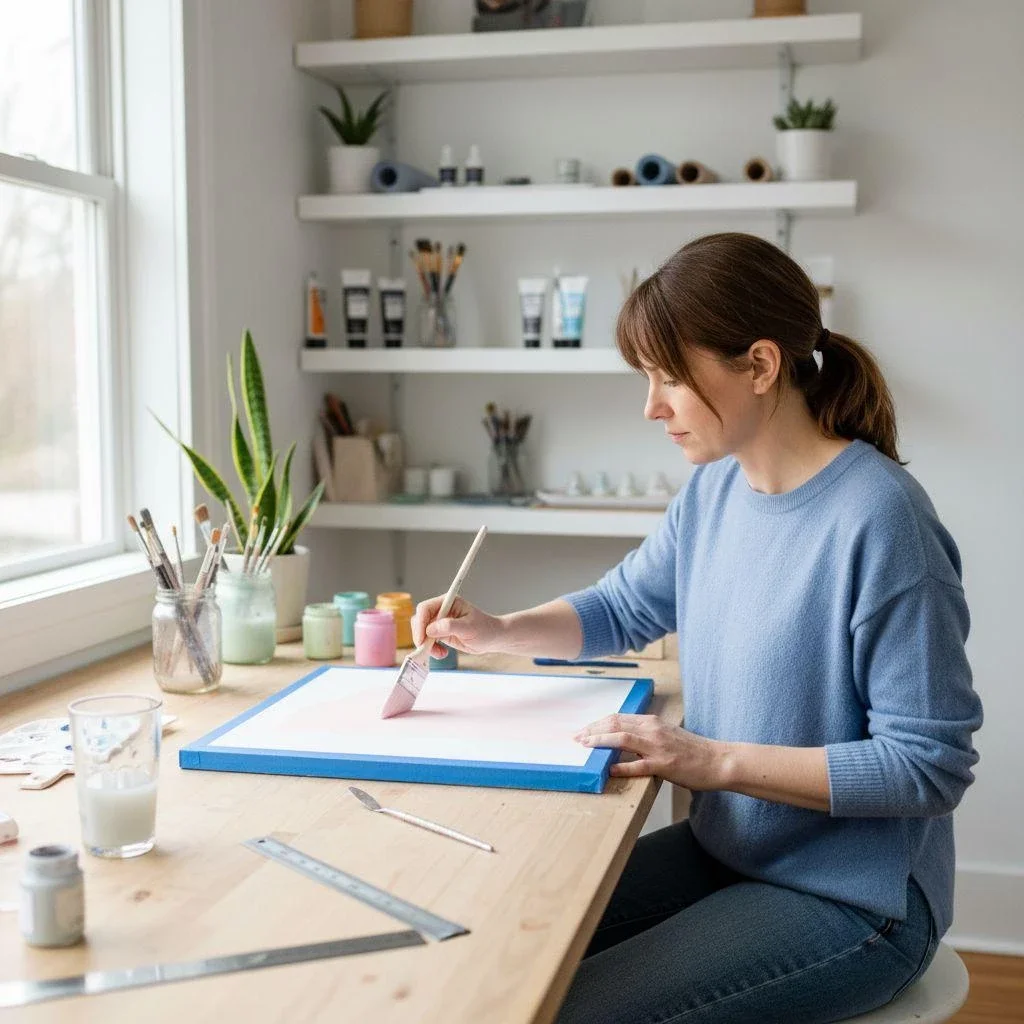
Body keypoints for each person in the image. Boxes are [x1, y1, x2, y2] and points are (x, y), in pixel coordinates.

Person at [412, 232, 983, 1024]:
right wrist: (497, 629)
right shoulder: (715, 490)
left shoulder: (884, 523)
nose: (651, 407)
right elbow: (621, 608)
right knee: (492, 955)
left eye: (670, 378)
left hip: (854, 898)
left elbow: (927, 767)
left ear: (760, 364)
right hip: (730, 851)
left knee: (561, 1011)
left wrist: (712, 761)